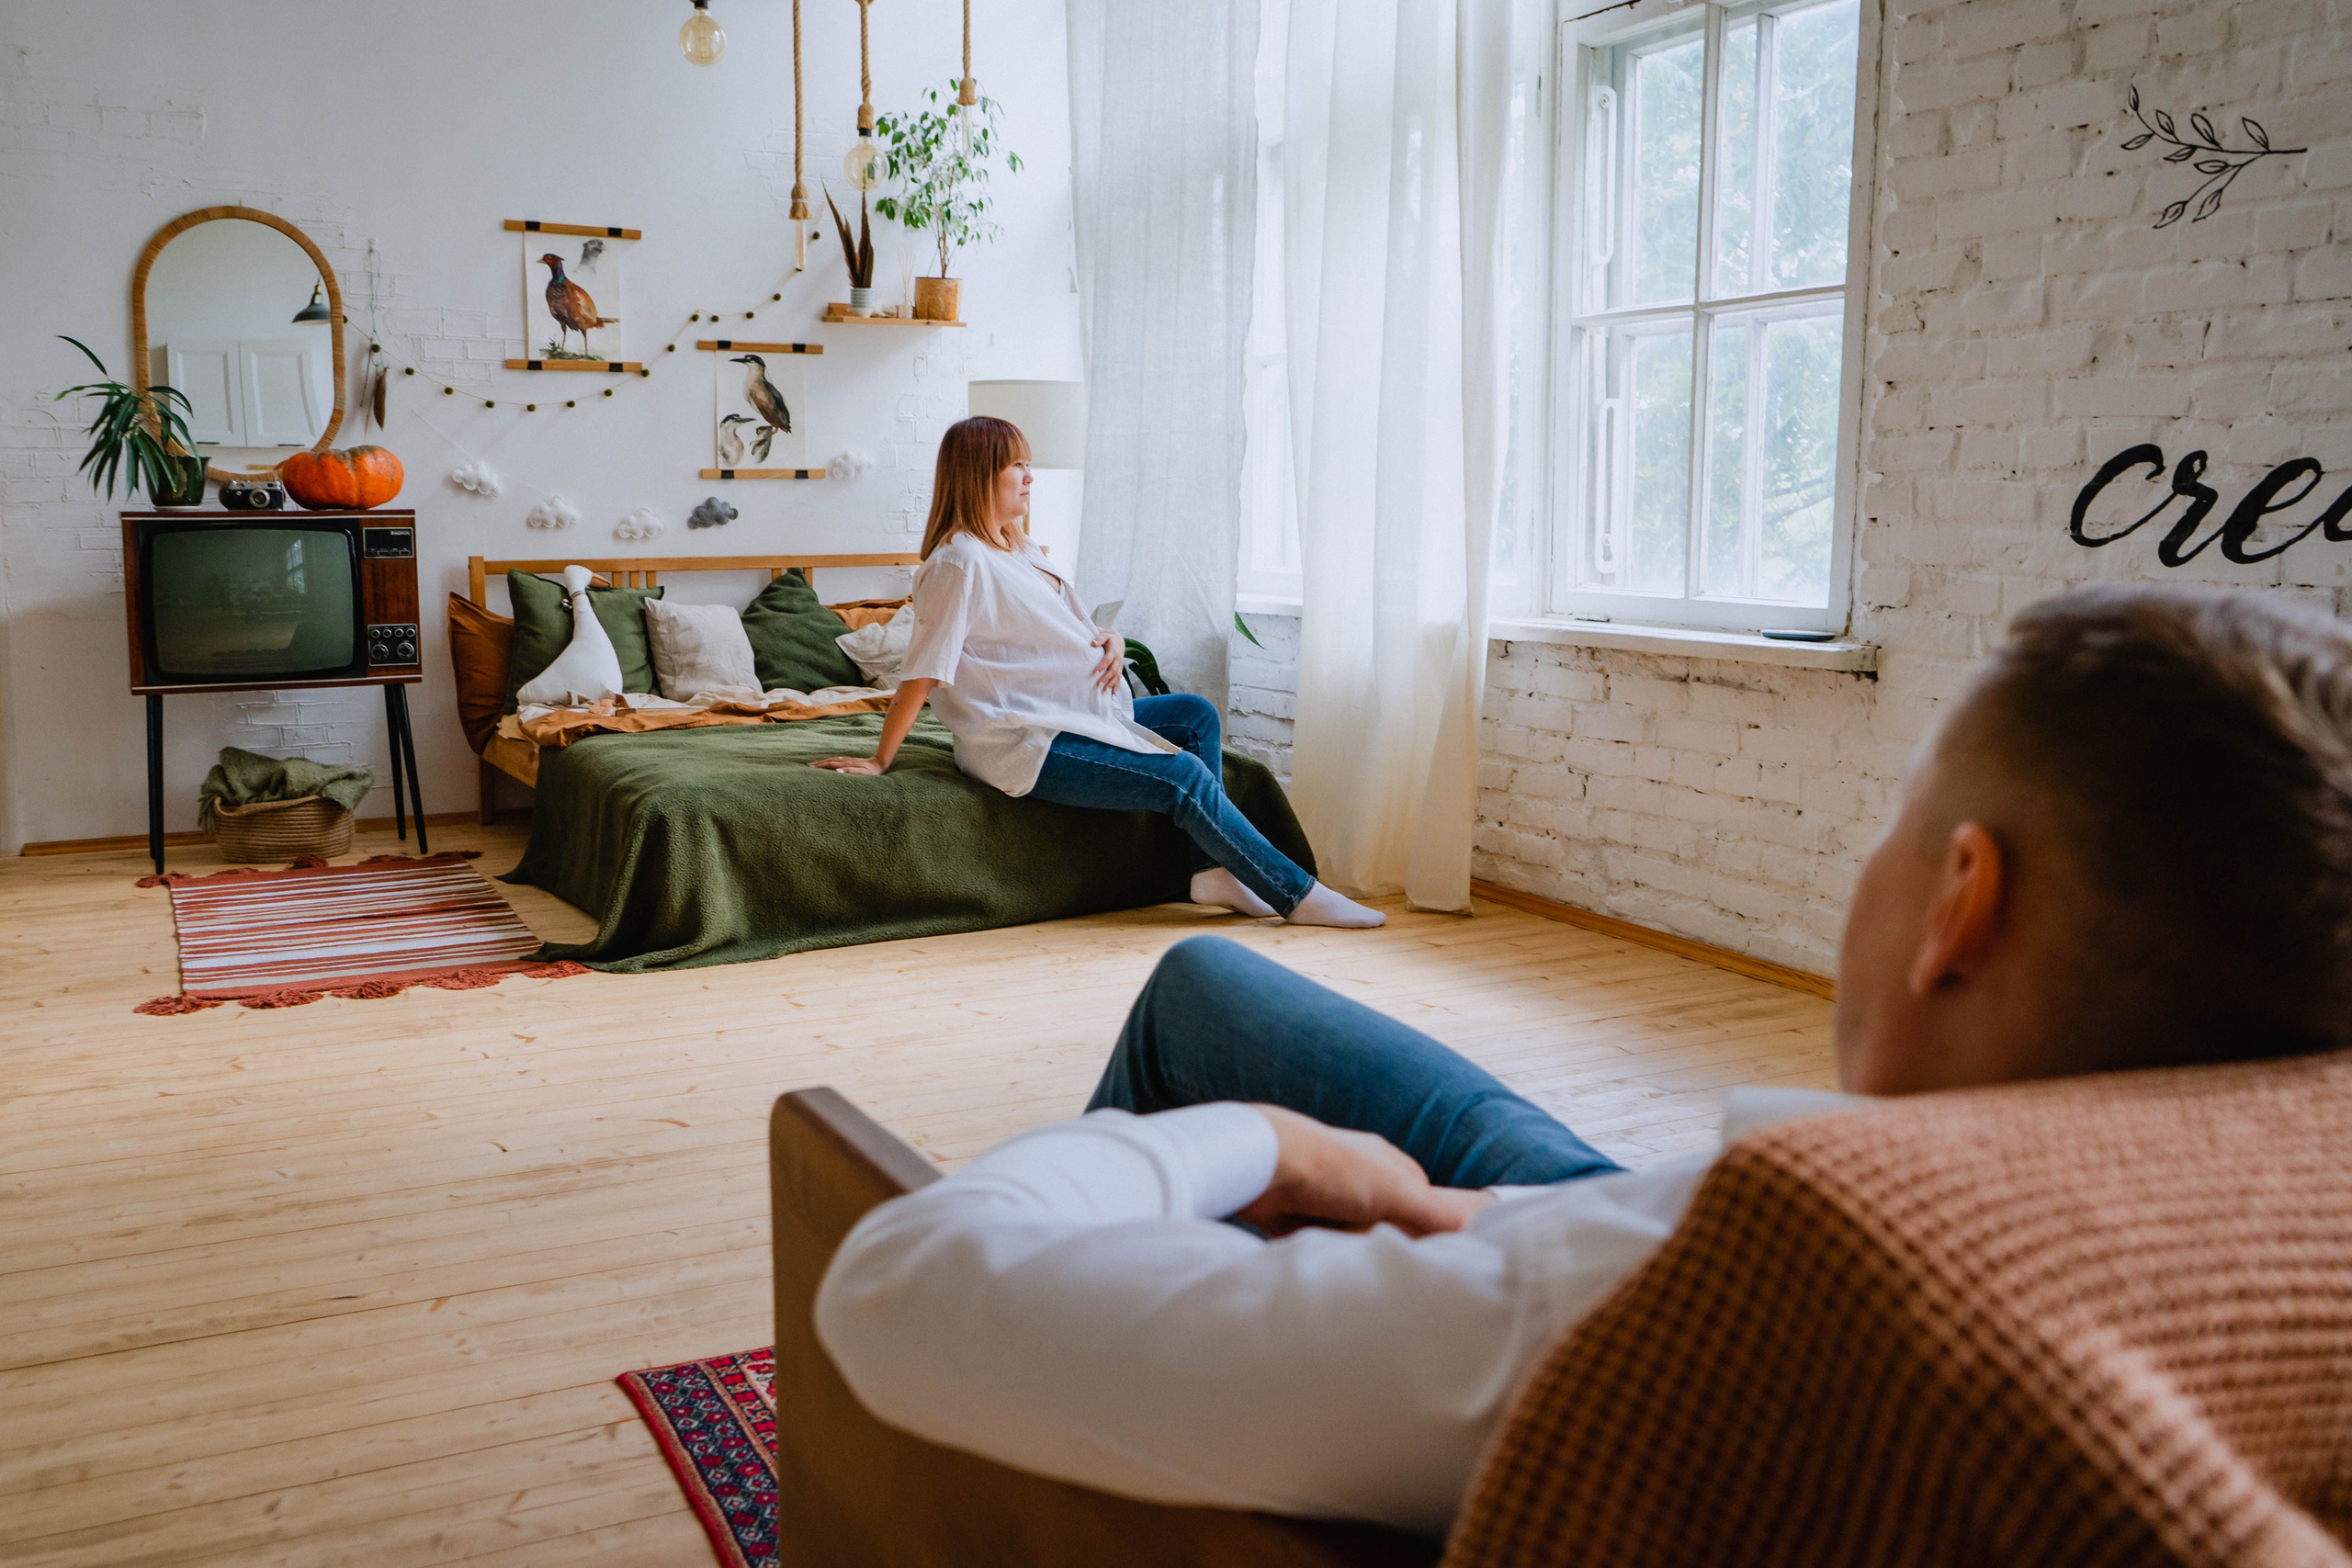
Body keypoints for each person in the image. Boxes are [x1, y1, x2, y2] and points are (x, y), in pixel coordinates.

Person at [814, 585, 2352, 1539]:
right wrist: (1488, 1218)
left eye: (1896, 818)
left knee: (1203, 1024)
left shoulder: (1681, 1325)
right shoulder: (2300, 1219)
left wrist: (1268, 1146)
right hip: (1639, 1204)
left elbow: (897, 1293)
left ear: (1963, 902)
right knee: (1213, 977)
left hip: (1610, 1261)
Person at [811, 414, 1385, 930]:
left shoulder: (1020, 549)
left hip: (1077, 712)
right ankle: (1296, 894)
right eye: (1017, 465)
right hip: (1026, 739)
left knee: (1194, 717)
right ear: (982, 474)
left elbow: (1055, 630)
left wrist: (1105, 639)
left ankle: (1210, 873)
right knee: (1182, 776)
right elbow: (924, 670)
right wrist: (881, 758)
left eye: (1029, 464)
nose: (1030, 477)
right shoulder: (960, 562)